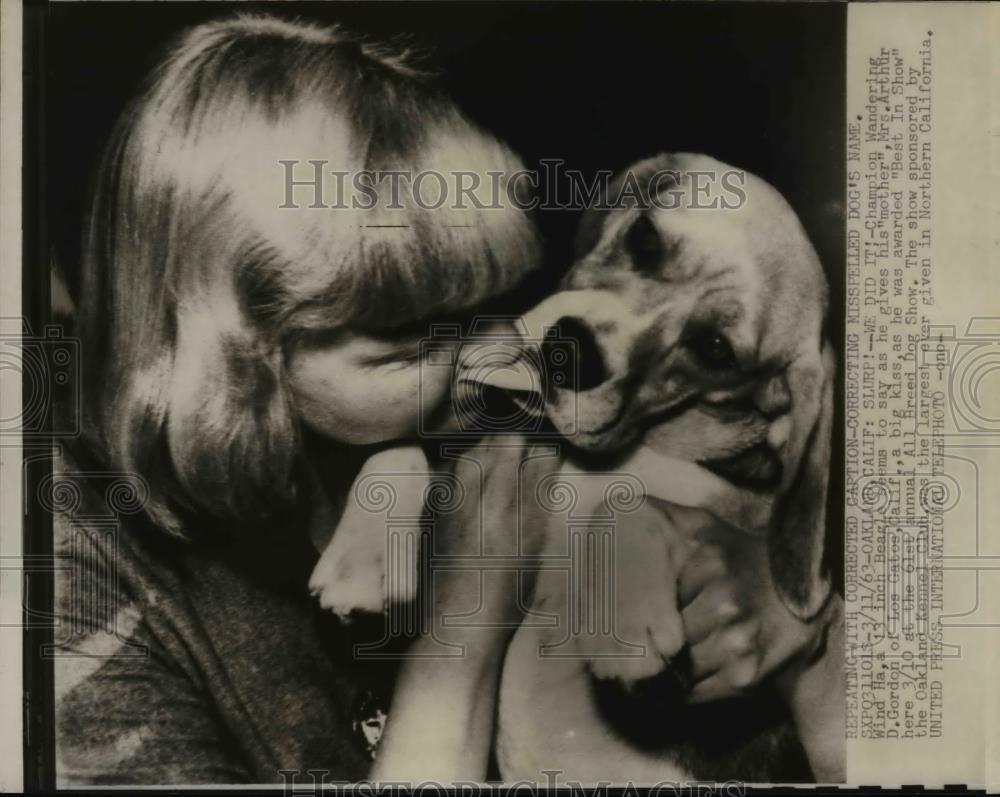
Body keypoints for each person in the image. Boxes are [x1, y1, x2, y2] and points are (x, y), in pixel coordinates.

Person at [53, 13, 832, 786]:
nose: (498, 352)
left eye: (477, 302)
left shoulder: (475, 405)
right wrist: (467, 610)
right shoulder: (70, 595)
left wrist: (798, 626)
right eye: (410, 331)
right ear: (242, 346)